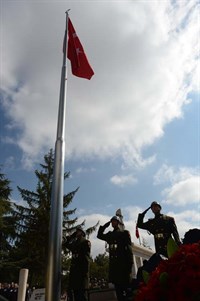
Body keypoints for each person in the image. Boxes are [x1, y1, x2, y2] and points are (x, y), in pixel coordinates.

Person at [97, 216, 133, 301]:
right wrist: (104, 226)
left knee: (126, 293)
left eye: (115, 221)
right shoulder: (110, 235)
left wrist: (129, 267)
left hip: (123, 268)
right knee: (118, 293)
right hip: (115, 269)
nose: (113, 223)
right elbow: (99, 235)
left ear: (118, 222)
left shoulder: (124, 233)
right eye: (112, 221)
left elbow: (129, 251)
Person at [63, 227, 91, 301]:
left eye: (78, 231)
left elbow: (86, 260)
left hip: (81, 274)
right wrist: (71, 236)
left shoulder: (85, 242)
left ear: (82, 233)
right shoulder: (75, 243)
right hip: (74, 274)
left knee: (82, 297)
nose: (76, 232)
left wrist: (85, 274)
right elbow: (65, 244)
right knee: (75, 296)